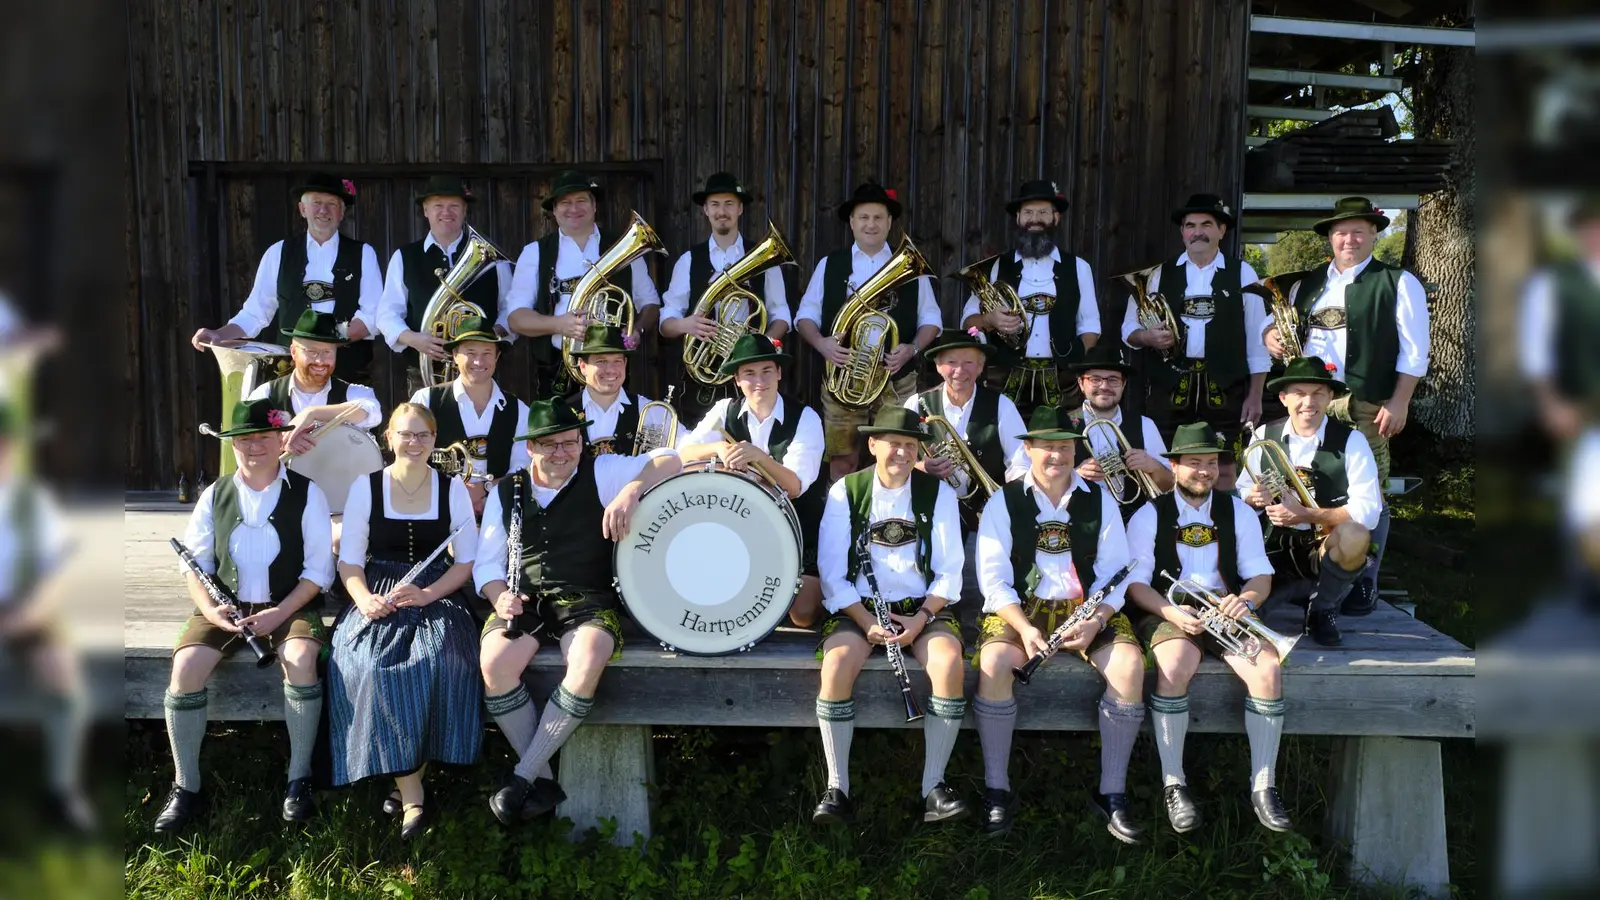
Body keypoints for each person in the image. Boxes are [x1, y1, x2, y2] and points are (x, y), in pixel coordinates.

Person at [475, 401, 681, 824]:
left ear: (581, 443)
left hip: (585, 597)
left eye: (570, 443)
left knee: (588, 657)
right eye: (549, 445)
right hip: (523, 597)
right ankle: (541, 780)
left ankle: (522, 776)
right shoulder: (507, 490)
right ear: (530, 447)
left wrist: (630, 490)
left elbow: (670, 458)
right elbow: (487, 565)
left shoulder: (602, 472)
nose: (562, 453)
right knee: (494, 663)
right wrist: (498, 597)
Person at [155, 399, 335, 833]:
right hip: (225, 607)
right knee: (185, 666)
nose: (255, 447)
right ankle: (186, 786)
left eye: (264, 437)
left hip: (289, 602)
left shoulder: (308, 493)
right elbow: (194, 565)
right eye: (245, 439)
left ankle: (298, 778)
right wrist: (211, 612)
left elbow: (318, 571)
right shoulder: (214, 494)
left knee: (301, 660)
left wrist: (281, 612)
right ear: (233, 444)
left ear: (281, 440)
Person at [972, 405, 1144, 842]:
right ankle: (997, 790)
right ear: (1028, 449)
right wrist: (1026, 628)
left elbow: (1114, 572)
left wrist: (1097, 619)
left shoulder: (1100, 498)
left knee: (1128, 667)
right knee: (993, 667)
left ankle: (1112, 794)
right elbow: (992, 581)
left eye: (1064, 446)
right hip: (1019, 611)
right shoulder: (1003, 500)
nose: (1056, 455)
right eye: (1046, 446)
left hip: (1087, 609)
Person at [1123, 423, 1289, 834]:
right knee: (1175, 664)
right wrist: (1170, 613)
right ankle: (1173, 783)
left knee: (1268, 668)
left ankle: (1263, 785)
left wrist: (1246, 600)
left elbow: (1260, 577)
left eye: (1211, 463)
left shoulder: (1240, 512)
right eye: (1194, 463)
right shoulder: (1148, 515)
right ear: (1174, 466)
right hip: (1169, 611)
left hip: (1228, 609)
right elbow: (1136, 584)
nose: (1205, 471)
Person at [328, 404, 482, 839]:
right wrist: (363, 600)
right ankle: (412, 794)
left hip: (436, 590)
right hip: (379, 589)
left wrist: (429, 594)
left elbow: (465, 561)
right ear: (389, 438)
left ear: (435, 441)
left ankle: (405, 773)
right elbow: (351, 561)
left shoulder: (452, 489)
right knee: (371, 666)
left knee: (445, 660)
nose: (414, 443)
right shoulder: (367, 487)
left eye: (423, 436)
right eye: (405, 434)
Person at [811, 408, 967, 826]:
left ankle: (933, 786)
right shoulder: (847, 490)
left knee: (950, 663)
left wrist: (919, 619)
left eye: (910, 444)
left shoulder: (939, 493)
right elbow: (830, 571)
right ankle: (837, 787)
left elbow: (951, 570)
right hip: (860, 608)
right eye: (892, 443)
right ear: (873, 445)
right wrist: (864, 622)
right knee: (838, 662)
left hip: (923, 610)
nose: (901, 451)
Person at [1262, 196, 1429, 489]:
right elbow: (1276, 321)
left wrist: (1399, 402)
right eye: (1341, 233)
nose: (1349, 240)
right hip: (1311, 401)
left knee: (1368, 488)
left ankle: (1366, 536)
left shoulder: (1399, 282)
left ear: (1374, 234)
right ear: (1330, 237)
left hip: (1366, 404)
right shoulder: (1307, 283)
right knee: (1311, 483)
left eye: (1358, 231)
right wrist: (1269, 336)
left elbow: (1415, 351)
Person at [795, 181, 943, 482]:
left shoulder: (911, 266)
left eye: (878, 217)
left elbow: (932, 320)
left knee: (898, 458)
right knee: (842, 462)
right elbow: (804, 317)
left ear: (889, 222)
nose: (871, 224)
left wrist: (912, 349)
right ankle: (843, 524)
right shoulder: (830, 265)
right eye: (864, 217)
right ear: (852, 222)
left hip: (896, 381)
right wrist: (822, 344)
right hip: (843, 382)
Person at [678, 334, 826, 626]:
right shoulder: (724, 411)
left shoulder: (806, 418)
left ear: (779, 373)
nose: (759, 380)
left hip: (796, 526)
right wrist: (718, 448)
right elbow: (682, 454)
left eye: (767, 371)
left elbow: (794, 487)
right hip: (737, 529)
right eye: (749, 373)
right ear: (736, 379)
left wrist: (758, 456)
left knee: (802, 616)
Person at [1235, 357, 1383, 647]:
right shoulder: (1264, 435)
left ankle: (1322, 608)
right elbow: (1241, 489)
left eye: (1317, 393)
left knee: (1356, 535)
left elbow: (1369, 512)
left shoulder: (1352, 441)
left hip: (1322, 547)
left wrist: (1307, 514)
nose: (1308, 402)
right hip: (1270, 548)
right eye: (1299, 393)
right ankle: (1276, 592)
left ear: (1330, 397)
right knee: (1251, 622)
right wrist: (1251, 496)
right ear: (1283, 398)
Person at [190, 173, 382, 383]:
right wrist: (220, 334)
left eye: (332, 204)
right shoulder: (278, 253)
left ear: (342, 212)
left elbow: (371, 317)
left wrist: (325, 340)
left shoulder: (363, 254)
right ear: (302, 209)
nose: (323, 211)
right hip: (292, 378)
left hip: (347, 374)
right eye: (316, 203)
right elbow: (256, 312)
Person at [0, 402, 91, 831]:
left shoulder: (31, 499)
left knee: (61, 671)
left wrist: (28, 613)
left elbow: (58, 571)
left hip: (23, 610)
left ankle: (60, 790)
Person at [1123, 193, 1267, 456]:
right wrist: (1147, 338)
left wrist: (1255, 394)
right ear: (1182, 232)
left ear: (1222, 231)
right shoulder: (1157, 274)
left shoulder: (1243, 273)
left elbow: (1258, 341)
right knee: (1164, 461)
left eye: (1206, 225)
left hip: (1226, 392)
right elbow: (1128, 329)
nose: (1197, 232)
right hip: (1168, 393)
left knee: (1223, 466)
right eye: (1191, 225)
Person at [506, 170, 663, 397]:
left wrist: (637, 329)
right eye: (565, 203)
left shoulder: (625, 249)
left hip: (612, 369)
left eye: (581, 201)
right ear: (554, 210)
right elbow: (516, 318)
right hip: (557, 370)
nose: (574, 208)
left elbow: (650, 304)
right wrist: (559, 325)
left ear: (594, 206)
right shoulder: (534, 254)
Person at [659, 172, 793, 424]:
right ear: (706, 210)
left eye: (729, 204)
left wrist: (763, 344)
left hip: (752, 377)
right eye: (715, 204)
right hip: (702, 379)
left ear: (740, 208)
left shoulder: (765, 260)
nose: (722, 211)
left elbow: (781, 314)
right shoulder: (688, 261)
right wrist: (685, 324)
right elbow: (666, 321)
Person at [962, 179, 1101, 417]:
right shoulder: (995, 266)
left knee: (1059, 448)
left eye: (1043, 212)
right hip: (1003, 380)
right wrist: (990, 320)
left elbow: (1089, 326)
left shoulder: (1078, 267)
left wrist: (1073, 364)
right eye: (1028, 212)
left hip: (1062, 382)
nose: (1035, 219)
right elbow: (967, 322)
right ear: (1018, 218)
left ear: (1056, 218)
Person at [378, 175, 515, 396]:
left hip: (480, 370)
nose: (446, 212)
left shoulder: (491, 260)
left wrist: (492, 334)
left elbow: (511, 308)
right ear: (425, 210)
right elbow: (386, 314)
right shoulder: (404, 257)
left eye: (454, 206)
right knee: (423, 430)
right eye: (438, 206)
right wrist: (414, 339)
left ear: (464, 211)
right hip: (424, 373)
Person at [407, 315, 529, 518]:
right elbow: (410, 456)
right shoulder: (426, 400)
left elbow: (522, 468)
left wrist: (486, 488)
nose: (478, 361)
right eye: (470, 353)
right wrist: (456, 492)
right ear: (455, 355)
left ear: (497, 357)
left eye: (487, 353)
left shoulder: (519, 410)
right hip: (435, 508)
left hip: (498, 511)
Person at [248, 309, 383, 459]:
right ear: (293, 352)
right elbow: (246, 441)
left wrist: (312, 413)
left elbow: (372, 410)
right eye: (312, 352)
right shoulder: (265, 394)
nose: (320, 361)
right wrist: (282, 442)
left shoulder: (352, 393)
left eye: (327, 352)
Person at [1064, 345, 1174, 508]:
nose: (1104, 386)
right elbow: (1035, 478)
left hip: (1131, 520)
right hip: (1076, 519)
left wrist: (1153, 466)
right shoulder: (1063, 424)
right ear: (1081, 383)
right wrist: (1075, 476)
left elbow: (1170, 485)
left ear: (1123, 385)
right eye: (1095, 379)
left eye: (1113, 380)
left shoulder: (1145, 425)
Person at [567, 323, 683, 455]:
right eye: (601, 361)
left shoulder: (650, 410)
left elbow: (688, 444)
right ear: (583, 367)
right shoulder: (562, 411)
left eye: (617, 361)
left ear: (625, 364)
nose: (610, 370)